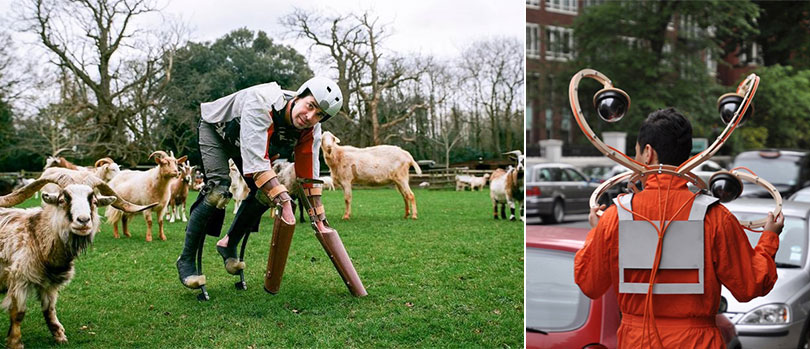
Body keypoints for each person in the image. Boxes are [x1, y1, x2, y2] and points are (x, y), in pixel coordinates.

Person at [574, 107, 784, 348]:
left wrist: (596, 232)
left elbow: (589, 284)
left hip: (638, 341)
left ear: (648, 153)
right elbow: (752, 285)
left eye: (637, 152)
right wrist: (769, 238)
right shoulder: (715, 216)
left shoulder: (615, 217)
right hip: (698, 342)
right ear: (686, 156)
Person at [176, 76, 343, 290]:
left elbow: (309, 176)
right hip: (217, 131)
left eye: (319, 114)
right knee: (218, 190)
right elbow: (257, 165)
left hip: (245, 143)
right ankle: (186, 260)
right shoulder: (263, 101)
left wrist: (319, 215)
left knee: (265, 195)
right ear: (299, 96)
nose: (310, 116)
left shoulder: (312, 128)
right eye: (310, 105)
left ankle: (228, 244)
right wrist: (283, 199)